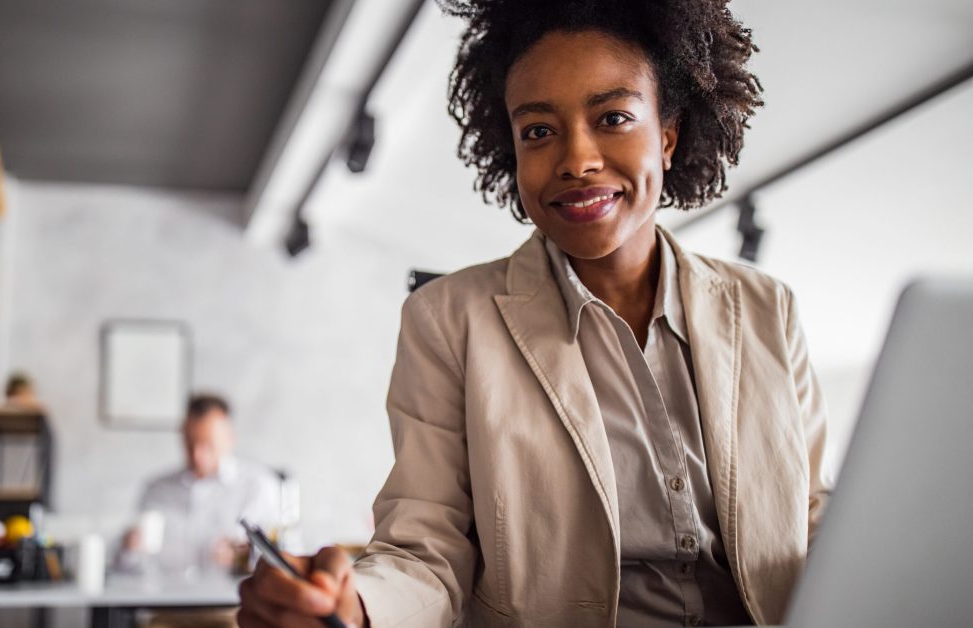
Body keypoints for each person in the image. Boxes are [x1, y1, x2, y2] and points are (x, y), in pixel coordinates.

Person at [238, 1, 830, 626]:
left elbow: (811, 513)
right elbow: (428, 550)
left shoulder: (767, 308)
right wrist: (358, 607)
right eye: (539, 132)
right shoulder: (448, 322)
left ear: (668, 135)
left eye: (613, 118)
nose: (577, 160)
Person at [117, 393, 281, 576]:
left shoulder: (259, 486)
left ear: (229, 438)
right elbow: (126, 568)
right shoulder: (157, 490)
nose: (197, 455)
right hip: (163, 593)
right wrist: (129, 549)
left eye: (207, 445)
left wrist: (243, 558)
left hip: (231, 594)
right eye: (190, 444)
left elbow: (282, 560)